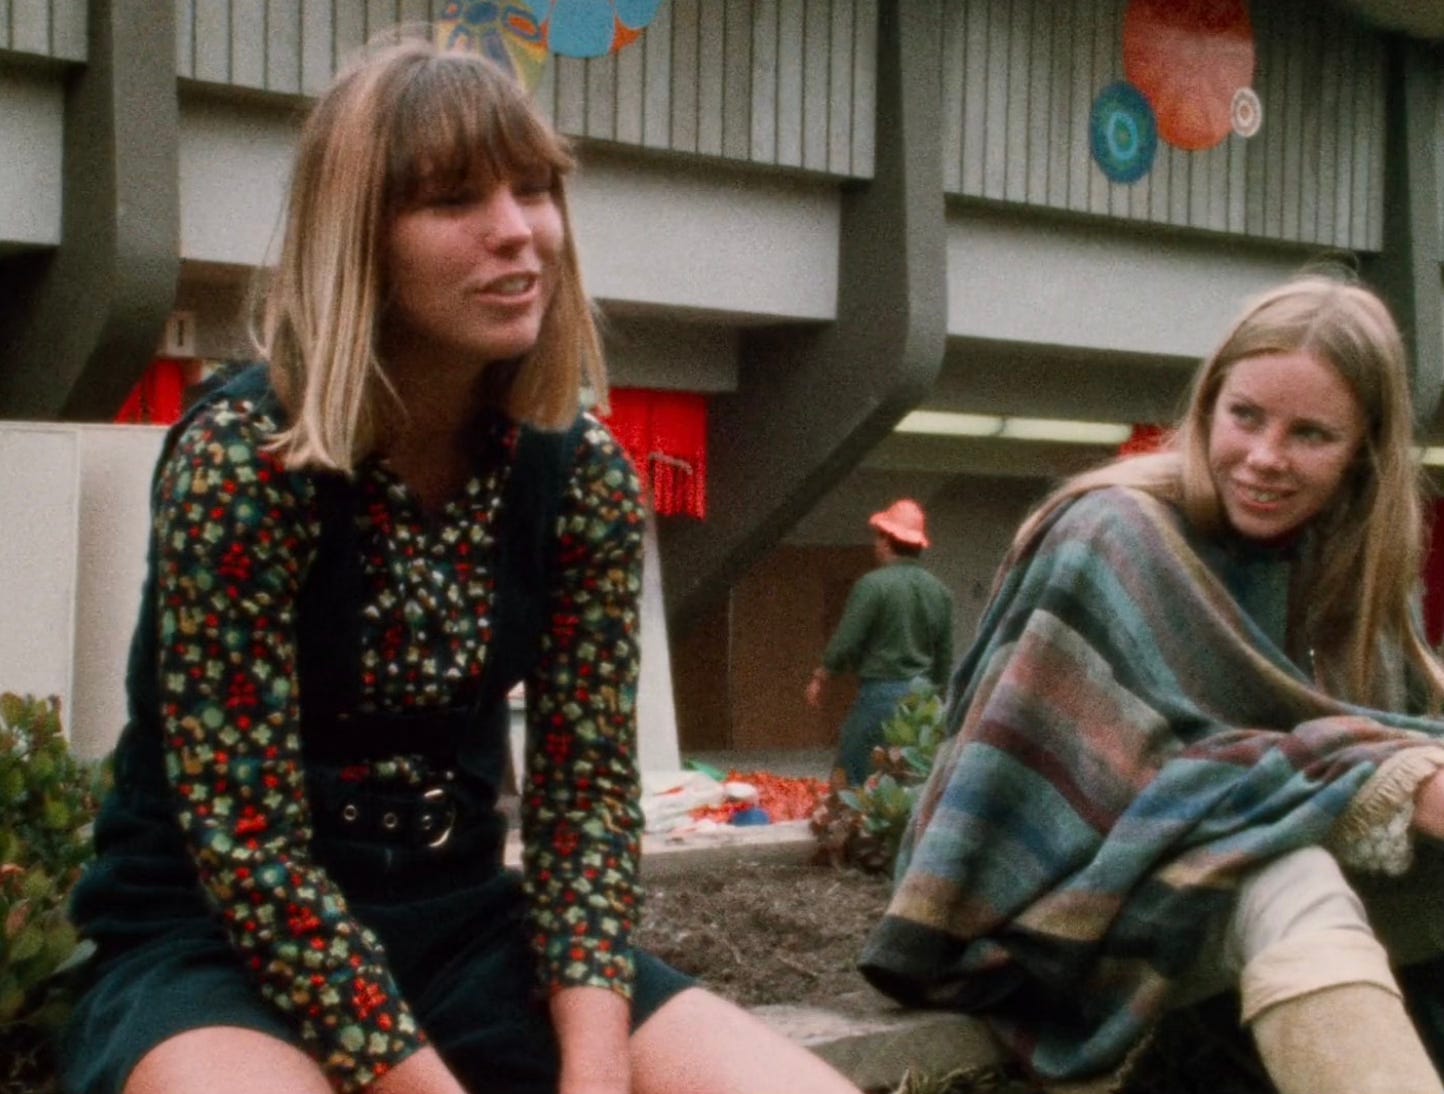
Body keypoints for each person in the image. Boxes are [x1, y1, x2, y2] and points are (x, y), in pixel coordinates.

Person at [60, 34, 862, 1094]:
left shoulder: (584, 479)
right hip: (218, 944)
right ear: (362, 240)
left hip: (470, 930)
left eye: (535, 189)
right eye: (452, 201)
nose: (517, 232)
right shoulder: (242, 462)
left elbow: (585, 805)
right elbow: (245, 846)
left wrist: (594, 1065)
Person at [859, 273, 1444, 1094]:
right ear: (1208, 406)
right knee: (1288, 875)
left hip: (1212, 877)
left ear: (1365, 452)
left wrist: (1385, 773)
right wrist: (1382, 776)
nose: (1265, 458)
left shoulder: (1356, 573)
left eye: (1311, 434)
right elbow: (1132, 789)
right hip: (1054, 893)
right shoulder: (1112, 532)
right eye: (1245, 416)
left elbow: (1366, 732)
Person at [805, 499, 954, 784]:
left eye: (878, 537)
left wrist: (822, 675)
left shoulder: (873, 585)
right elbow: (944, 656)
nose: (876, 544)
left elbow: (847, 639)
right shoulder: (940, 592)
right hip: (923, 699)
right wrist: (936, 699)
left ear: (887, 541)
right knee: (910, 780)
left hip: (880, 696)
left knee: (852, 776)